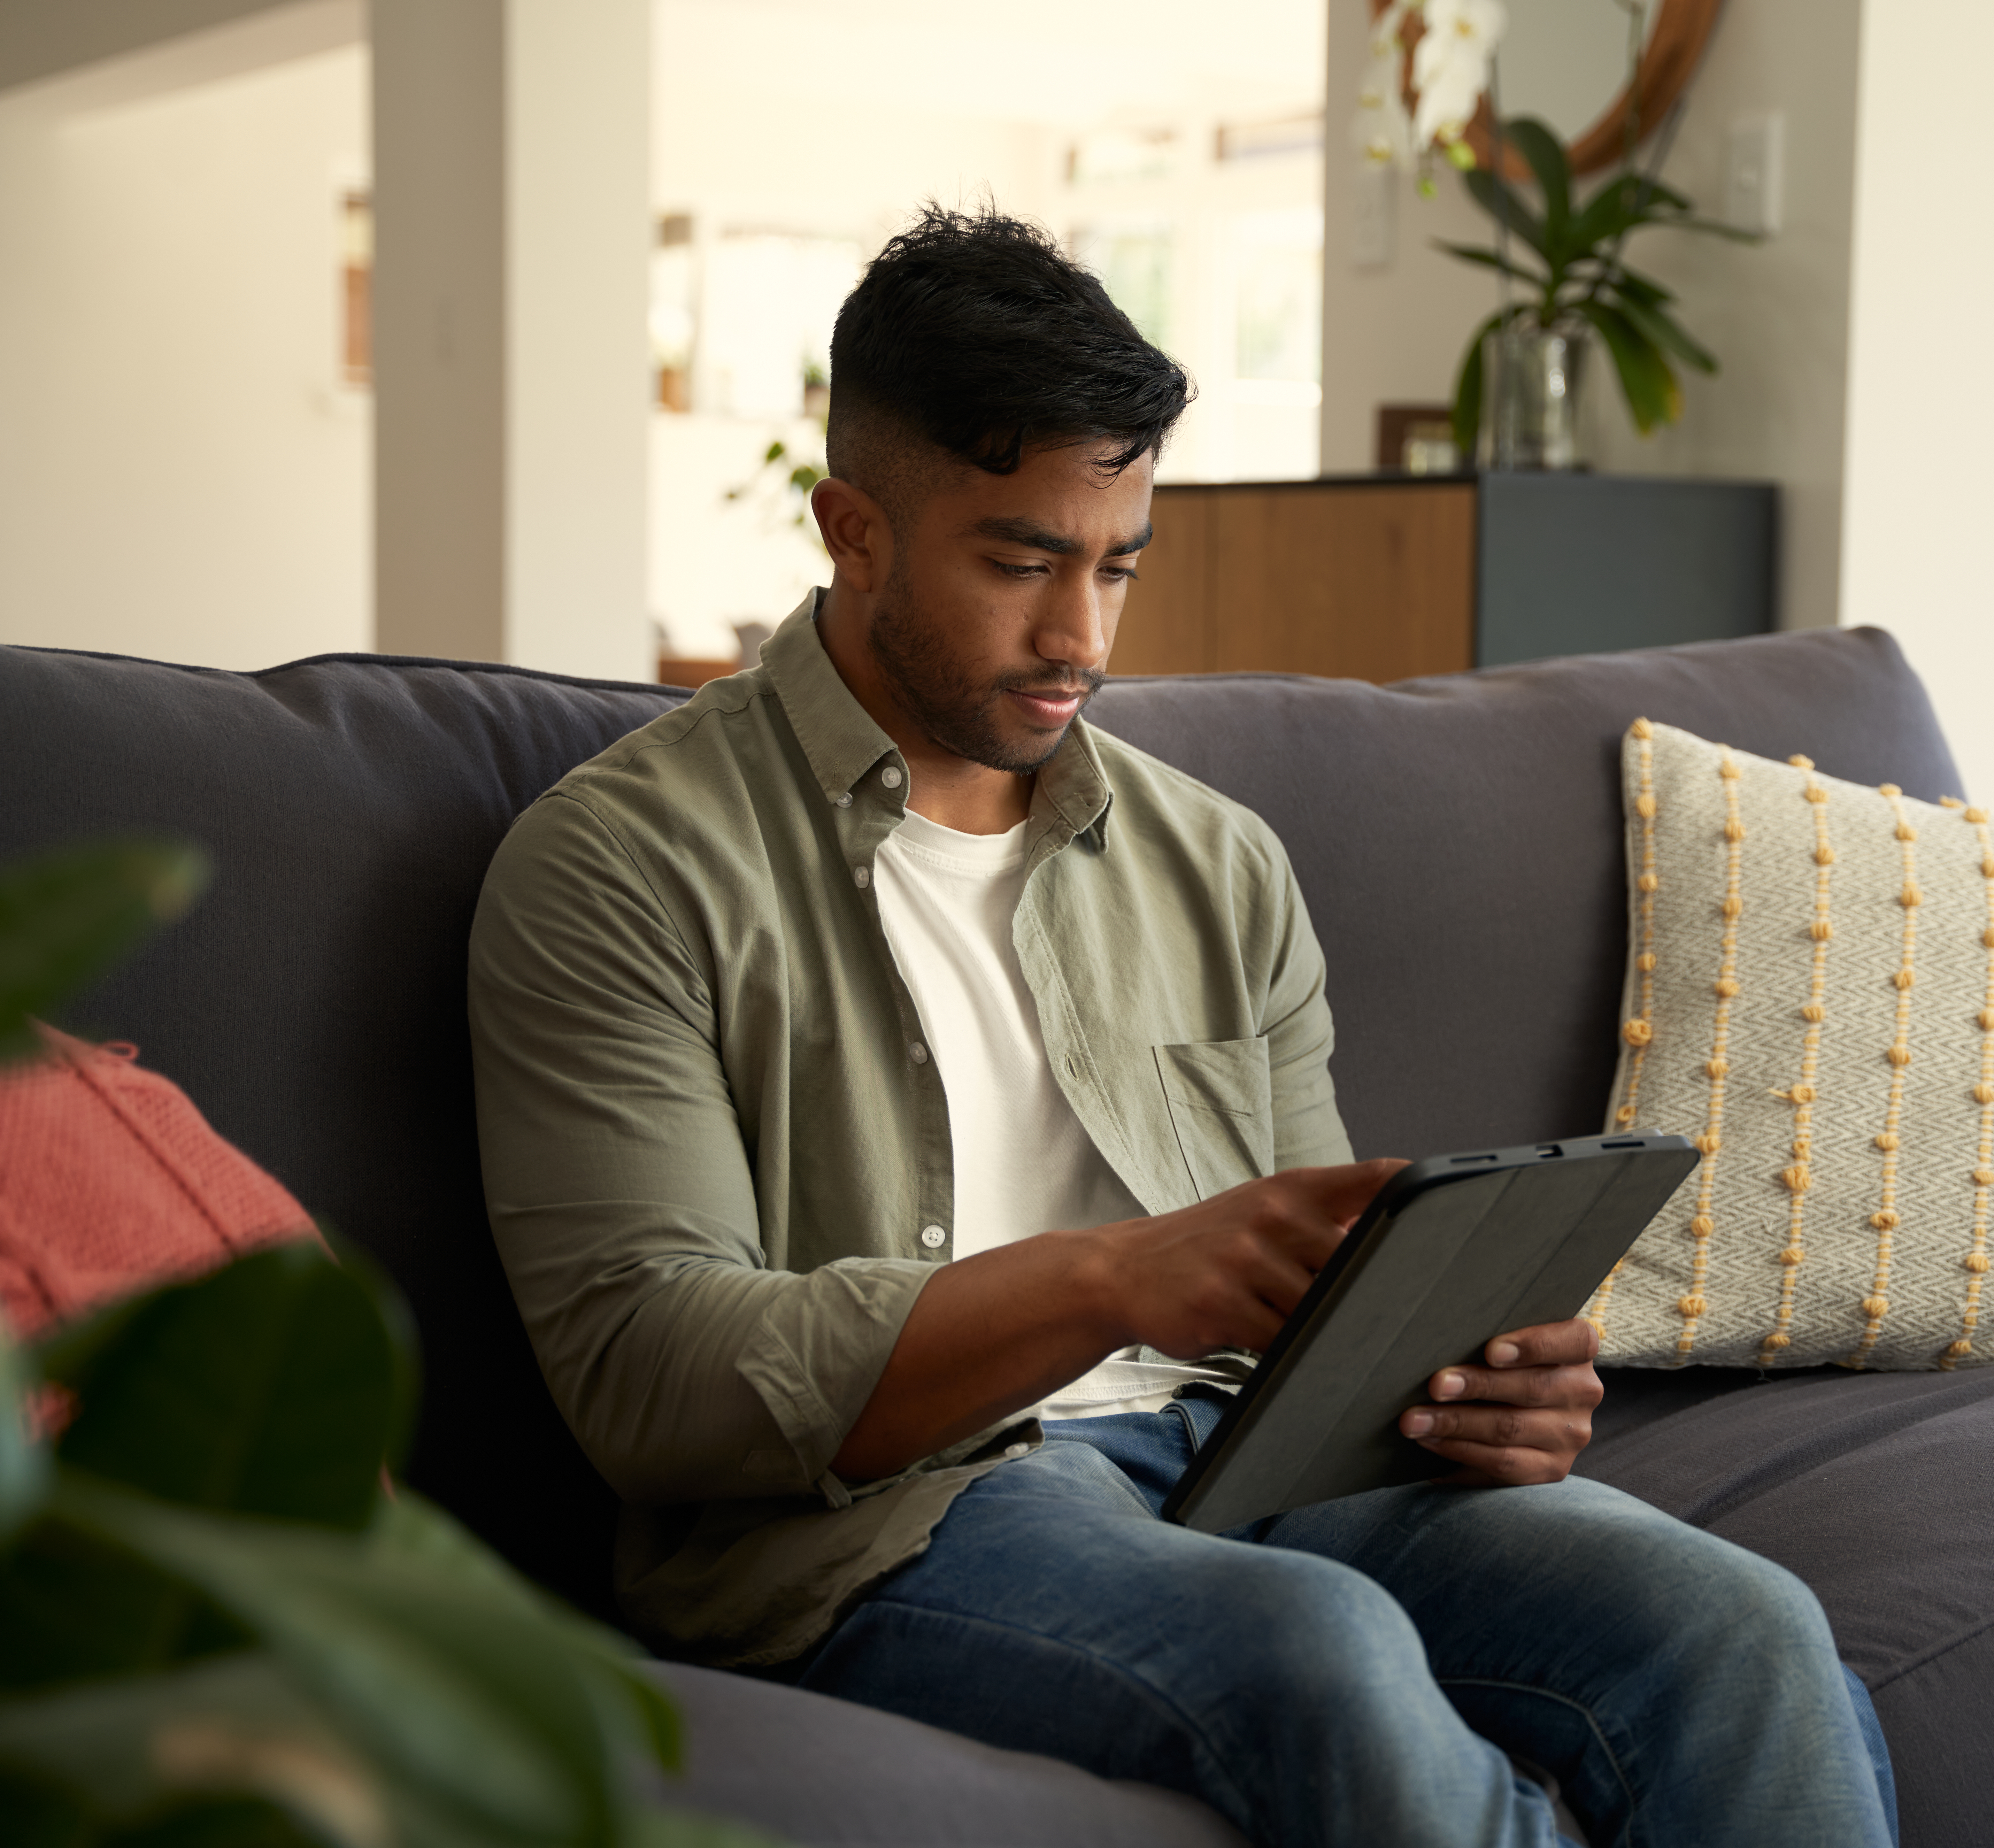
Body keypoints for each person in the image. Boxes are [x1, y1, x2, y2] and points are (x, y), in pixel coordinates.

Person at [468, 205, 1895, 1848]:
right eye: (1020, 562)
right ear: (852, 530)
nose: (1081, 635)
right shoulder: (620, 864)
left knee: (1741, 1631)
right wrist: (1106, 1279)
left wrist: (1459, 1386)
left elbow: (1305, 1302)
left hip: (1252, 1460)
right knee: (1320, 1655)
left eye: (1117, 564)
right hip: (893, 1520)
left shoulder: (1212, 860)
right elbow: (653, 1382)